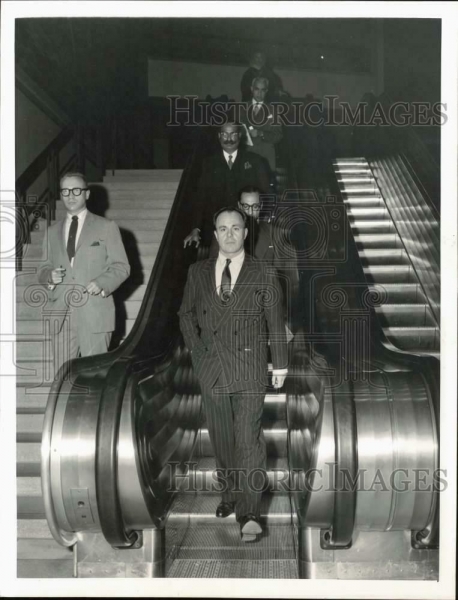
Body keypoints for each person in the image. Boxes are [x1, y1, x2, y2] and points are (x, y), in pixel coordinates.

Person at [179, 206, 288, 543]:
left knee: (248, 438)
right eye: (222, 228)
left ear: (245, 232)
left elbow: (275, 320)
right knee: (223, 439)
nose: (229, 234)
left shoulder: (264, 271)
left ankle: (250, 511)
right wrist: (197, 354)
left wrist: (280, 364)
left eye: (235, 228)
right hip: (211, 366)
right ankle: (230, 494)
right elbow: (185, 315)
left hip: (250, 367)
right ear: (215, 235)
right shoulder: (197, 272)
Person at [37, 171, 130, 375]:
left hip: (94, 313)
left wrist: (102, 282)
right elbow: (42, 268)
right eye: (66, 191)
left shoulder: (106, 227)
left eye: (76, 190)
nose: (71, 195)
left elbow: (121, 266)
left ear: (86, 194)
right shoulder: (51, 232)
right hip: (61, 315)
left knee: (95, 377)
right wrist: (48, 277)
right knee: (62, 378)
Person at [183, 122, 270, 249]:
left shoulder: (255, 161)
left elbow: (266, 193)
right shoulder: (208, 163)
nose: (229, 139)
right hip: (217, 233)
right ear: (219, 136)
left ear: (240, 136)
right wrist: (195, 228)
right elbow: (200, 198)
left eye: (233, 134)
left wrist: (262, 222)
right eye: (224, 134)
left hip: (248, 232)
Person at [242, 77, 283, 172]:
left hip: (266, 157)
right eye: (257, 89)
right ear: (251, 89)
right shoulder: (241, 109)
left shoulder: (273, 111)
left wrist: (261, 133)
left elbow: (279, 135)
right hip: (246, 155)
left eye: (263, 90)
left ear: (266, 91)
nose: (259, 93)